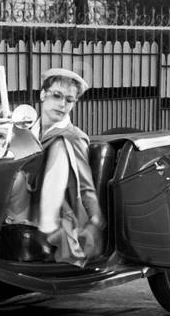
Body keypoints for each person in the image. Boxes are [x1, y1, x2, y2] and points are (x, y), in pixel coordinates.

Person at [6, 68, 104, 265]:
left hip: (59, 214)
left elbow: (85, 185)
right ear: (43, 94)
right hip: (23, 207)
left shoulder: (74, 137)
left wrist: (95, 219)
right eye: (57, 96)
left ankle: (45, 230)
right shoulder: (25, 131)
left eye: (69, 100)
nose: (62, 104)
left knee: (60, 144)